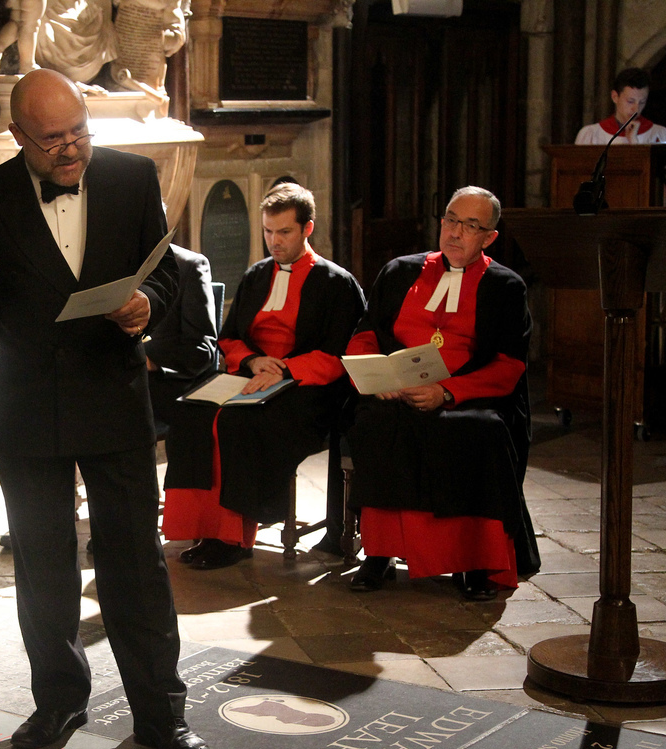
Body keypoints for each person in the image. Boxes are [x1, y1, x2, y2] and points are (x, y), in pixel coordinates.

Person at [0, 68, 209, 749]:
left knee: (136, 564)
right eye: (52, 140)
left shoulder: (132, 178)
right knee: (43, 567)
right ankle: (58, 701)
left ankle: (161, 714)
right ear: (17, 135)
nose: (70, 150)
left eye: (78, 133)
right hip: (28, 405)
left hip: (112, 395)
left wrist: (148, 305)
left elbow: (165, 268)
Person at [345, 186, 540, 600]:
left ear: (489, 238)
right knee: (375, 422)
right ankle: (379, 552)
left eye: (470, 225)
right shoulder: (399, 271)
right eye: (451, 219)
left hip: (466, 398)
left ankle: (475, 560)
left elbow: (509, 366)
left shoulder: (506, 287)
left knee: (477, 430)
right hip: (397, 393)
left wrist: (447, 393)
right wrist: (379, 378)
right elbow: (365, 335)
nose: (455, 232)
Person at [160, 183, 365, 570]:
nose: (274, 241)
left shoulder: (336, 283)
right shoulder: (256, 275)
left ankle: (234, 538)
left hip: (306, 390)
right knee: (191, 415)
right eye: (268, 231)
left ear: (307, 228)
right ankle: (201, 529)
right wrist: (254, 361)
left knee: (238, 423)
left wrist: (285, 369)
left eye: (284, 232)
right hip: (251, 377)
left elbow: (341, 355)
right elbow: (229, 337)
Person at [144, 243, 220, 431]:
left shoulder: (189, 266)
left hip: (162, 381)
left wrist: (153, 362)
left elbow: (202, 349)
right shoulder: (110, 264)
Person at [575, 67, 666, 145]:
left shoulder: (660, 135)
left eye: (642, 102)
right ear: (615, 97)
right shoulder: (591, 134)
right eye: (630, 101)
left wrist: (633, 141)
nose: (636, 109)